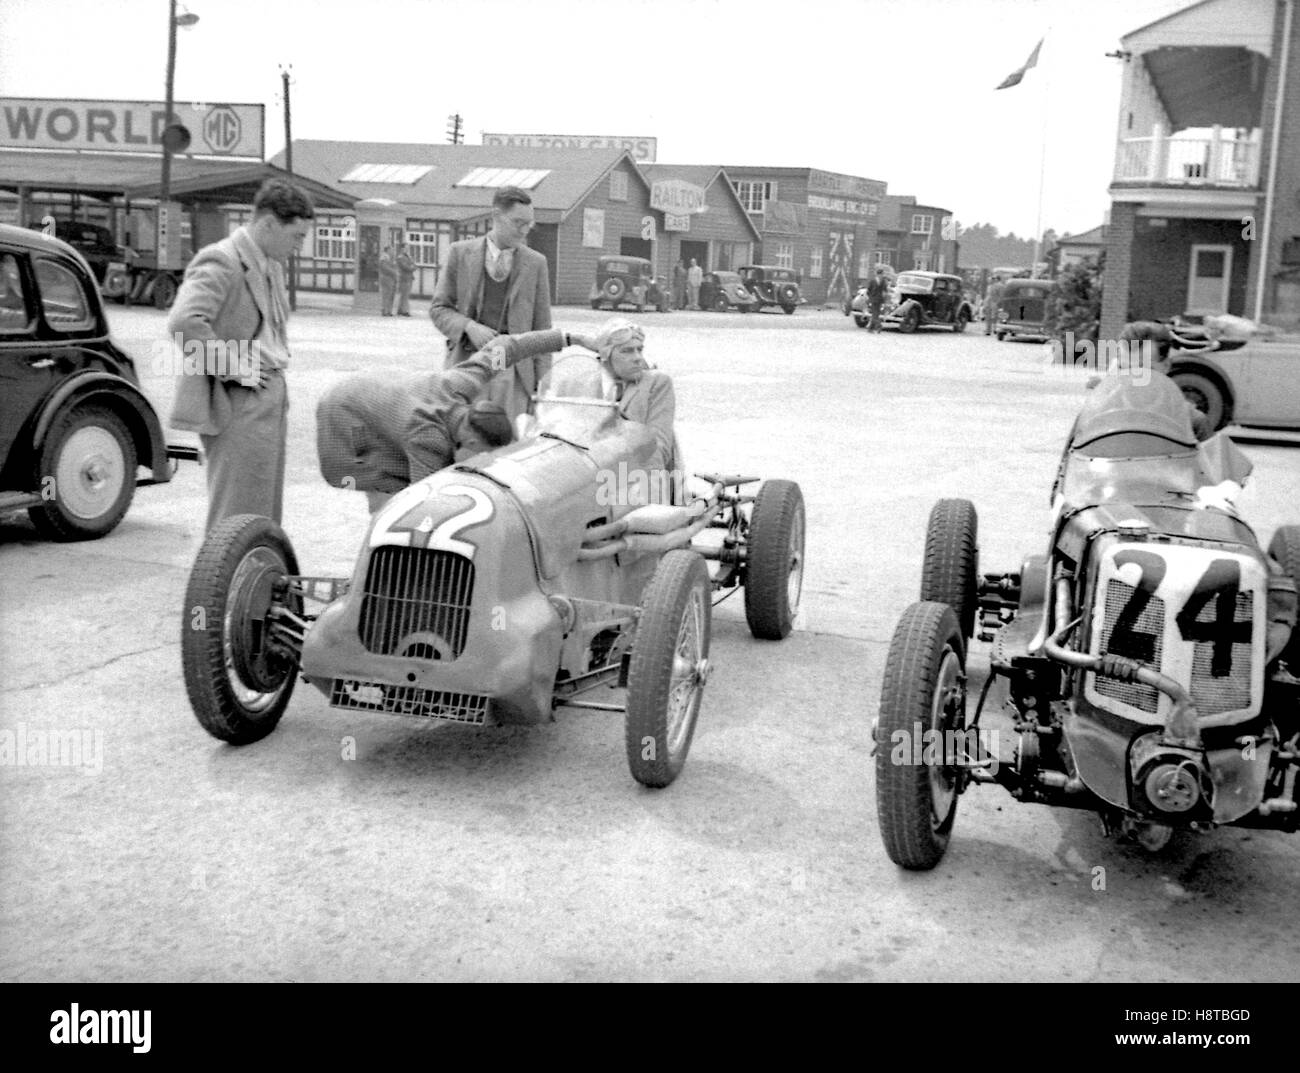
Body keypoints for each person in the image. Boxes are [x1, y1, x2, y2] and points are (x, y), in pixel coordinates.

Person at [168, 177, 314, 532]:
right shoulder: (223, 259)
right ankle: (222, 586)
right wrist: (235, 368)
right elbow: (183, 323)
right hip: (238, 398)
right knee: (235, 512)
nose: (300, 245)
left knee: (262, 512)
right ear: (267, 224)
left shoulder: (270, 265)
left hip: (268, 395)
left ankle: (255, 584)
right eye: (296, 236)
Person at [315, 337, 524, 513]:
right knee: (391, 491)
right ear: (471, 440)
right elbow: (423, 502)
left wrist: (556, 337)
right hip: (340, 414)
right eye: (483, 454)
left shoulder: (461, 384)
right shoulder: (429, 438)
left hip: (370, 392)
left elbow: (507, 347)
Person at [430, 185, 553, 425]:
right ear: (496, 216)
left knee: (508, 447)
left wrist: (543, 382)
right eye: (519, 223)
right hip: (467, 366)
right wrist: (468, 326)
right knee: (464, 438)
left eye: (530, 224)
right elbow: (439, 309)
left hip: (515, 374)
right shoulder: (459, 253)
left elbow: (543, 330)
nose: (525, 230)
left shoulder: (536, 263)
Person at [395, 241, 416, 317]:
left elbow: (413, 264)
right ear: (402, 248)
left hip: (409, 278)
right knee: (404, 295)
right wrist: (412, 267)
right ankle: (404, 311)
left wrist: (412, 267)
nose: (407, 249)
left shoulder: (408, 256)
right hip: (404, 278)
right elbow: (405, 267)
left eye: (408, 248)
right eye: (406, 248)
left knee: (405, 295)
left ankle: (400, 310)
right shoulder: (400, 257)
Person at [866, 266, 889, 332]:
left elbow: (885, 290)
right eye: (881, 274)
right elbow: (868, 290)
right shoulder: (872, 281)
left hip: (879, 299)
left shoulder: (883, 281)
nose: (882, 275)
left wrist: (885, 297)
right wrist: (870, 297)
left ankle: (870, 328)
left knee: (876, 314)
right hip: (873, 299)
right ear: (878, 274)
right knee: (875, 313)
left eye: (882, 274)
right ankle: (879, 326)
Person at [378, 244, 398, 316]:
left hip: (391, 278)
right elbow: (384, 267)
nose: (393, 251)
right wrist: (394, 272)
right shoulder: (384, 257)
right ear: (388, 250)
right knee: (386, 295)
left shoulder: (390, 257)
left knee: (390, 295)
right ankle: (385, 311)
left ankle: (388, 310)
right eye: (391, 249)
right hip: (386, 277)